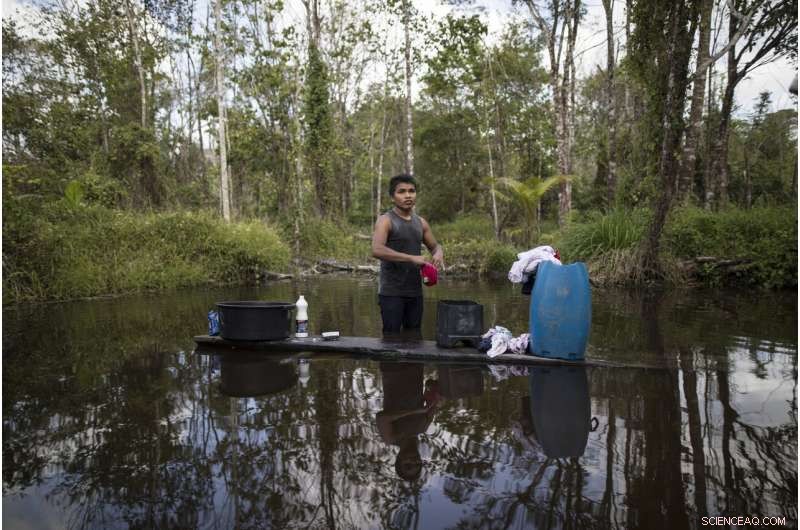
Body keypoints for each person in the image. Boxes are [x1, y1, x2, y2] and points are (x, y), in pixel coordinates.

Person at [372, 174, 444, 334]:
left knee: (414, 336)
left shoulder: (421, 222)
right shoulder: (385, 220)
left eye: (411, 191)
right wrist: (411, 258)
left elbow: (435, 246)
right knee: (391, 338)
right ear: (392, 197)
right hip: (391, 293)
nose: (408, 195)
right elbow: (377, 249)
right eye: (402, 191)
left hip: (415, 292)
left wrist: (438, 253)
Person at [375, 362, 440, 481]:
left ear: (399, 459)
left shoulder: (391, 438)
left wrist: (414, 411)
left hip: (392, 368)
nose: (414, 461)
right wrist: (435, 392)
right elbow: (432, 393)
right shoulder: (423, 427)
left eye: (408, 465)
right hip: (416, 366)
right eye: (418, 464)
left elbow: (381, 418)